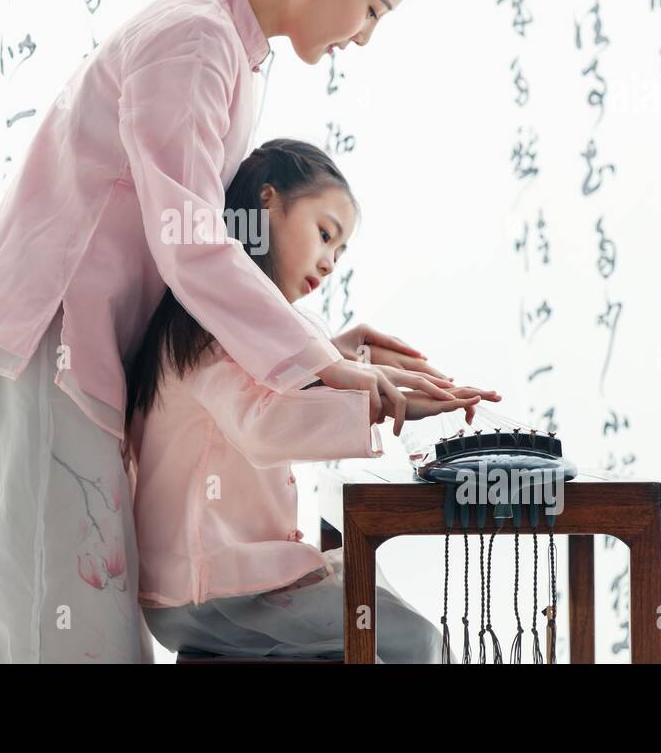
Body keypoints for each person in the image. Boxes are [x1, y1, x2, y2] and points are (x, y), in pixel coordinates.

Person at [0, 0, 457, 663]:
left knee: (66, 615)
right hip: (41, 341)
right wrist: (318, 360)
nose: (366, 37)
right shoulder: (197, 41)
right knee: (38, 621)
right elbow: (193, 247)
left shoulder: (233, 51)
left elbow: (216, 259)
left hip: (71, 344)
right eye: (375, 9)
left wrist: (318, 353)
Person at [129, 139, 500, 662]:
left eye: (340, 252)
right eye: (325, 234)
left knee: (375, 609)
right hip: (209, 588)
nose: (328, 263)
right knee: (411, 639)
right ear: (267, 202)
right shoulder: (209, 323)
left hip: (218, 583)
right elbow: (262, 424)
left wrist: (359, 361)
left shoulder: (235, 320)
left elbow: (292, 370)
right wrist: (379, 403)